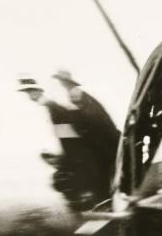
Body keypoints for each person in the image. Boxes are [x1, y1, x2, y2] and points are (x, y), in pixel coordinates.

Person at [16, 75, 108, 212]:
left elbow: (73, 134)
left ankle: (98, 202)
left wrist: (65, 158)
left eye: (30, 92)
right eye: (27, 93)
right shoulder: (52, 107)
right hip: (77, 151)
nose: (29, 96)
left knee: (66, 179)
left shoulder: (53, 106)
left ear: (38, 91)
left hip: (81, 153)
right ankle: (94, 202)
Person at [51, 69, 120, 185]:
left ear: (67, 82)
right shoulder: (76, 94)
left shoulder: (75, 93)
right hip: (102, 135)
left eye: (62, 80)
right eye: (60, 81)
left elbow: (86, 118)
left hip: (101, 137)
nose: (61, 83)